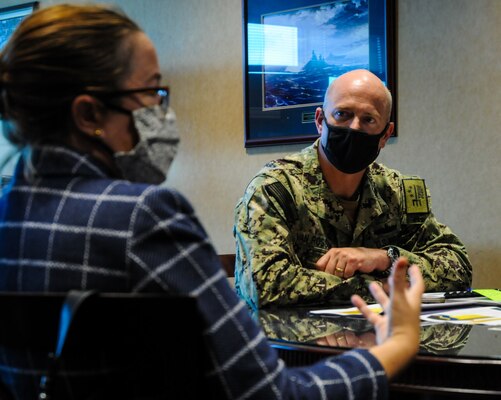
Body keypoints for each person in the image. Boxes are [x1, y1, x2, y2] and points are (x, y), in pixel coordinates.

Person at [0, 4, 424, 399]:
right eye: (152, 94)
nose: (161, 113)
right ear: (89, 114)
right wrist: (395, 347)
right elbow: (268, 392)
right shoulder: (143, 218)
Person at [234, 69, 472, 309]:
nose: (354, 128)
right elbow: (264, 285)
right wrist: (377, 287)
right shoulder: (274, 189)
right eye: (342, 114)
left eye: (368, 120)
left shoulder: (398, 191)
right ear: (320, 121)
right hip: (294, 344)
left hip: (383, 339)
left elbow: (458, 267)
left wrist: (384, 259)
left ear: (385, 135)